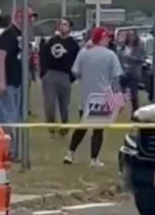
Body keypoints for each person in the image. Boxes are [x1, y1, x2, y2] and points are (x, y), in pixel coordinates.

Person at [63, 27, 123, 166]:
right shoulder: (110, 55)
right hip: (103, 96)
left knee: (83, 125)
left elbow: (75, 72)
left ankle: (70, 153)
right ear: (102, 38)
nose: (109, 40)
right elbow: (116, 78)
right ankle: (94, 159)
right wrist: (118, 97)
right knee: (98, 129)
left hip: (86, 96)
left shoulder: (84, 52)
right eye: (107, 37)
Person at [0, 8, 34, 159]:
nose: (32, 21)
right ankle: (7, 150)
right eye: (29, 17)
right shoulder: (8, 35)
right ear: (19, 17)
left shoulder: (22, 35)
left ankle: (15, 150)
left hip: (20, 81)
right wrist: (2, 81)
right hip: (9, 81)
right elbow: (0, 57)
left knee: (17, 117)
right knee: (8, 117)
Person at [40, 18, 79, 136]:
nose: (62, 26)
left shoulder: (73, 44)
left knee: (64, 104)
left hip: (65, 76)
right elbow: (43, 56)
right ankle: (51, 125)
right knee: (49, 103)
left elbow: (77, 61)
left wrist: (72, 76)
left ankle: (64, 126)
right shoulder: (51, 41)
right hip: (51, 74)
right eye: (60, 24)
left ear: (70, 28)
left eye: (65, 24)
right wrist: (44, 73)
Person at [119, 30, 145, 112]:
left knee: (134, 93)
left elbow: (141, 59)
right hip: (123, 73)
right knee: (121, 93)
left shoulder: (139, 48)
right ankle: (120, 110)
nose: (131, 37)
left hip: (133, 73)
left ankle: (135, 111)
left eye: (133, 35)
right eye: (129, 35)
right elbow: (119, 58)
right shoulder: (123, 47)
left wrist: (130, 58)